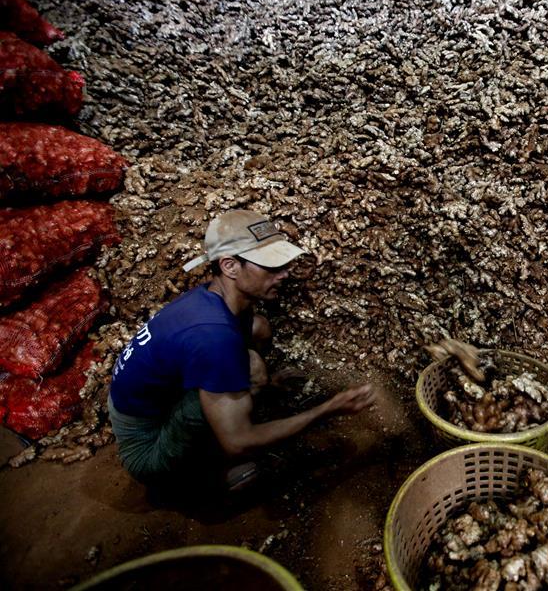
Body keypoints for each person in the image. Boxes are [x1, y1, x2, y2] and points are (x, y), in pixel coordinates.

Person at [107, 209, 375, 493]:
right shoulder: (213, 335)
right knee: (242, 404)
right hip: (147, 449)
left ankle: (233, 411)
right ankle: (207, 473)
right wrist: (326, 410)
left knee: (257, 329)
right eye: (271, 267)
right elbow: (238, 442)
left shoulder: (217, 299)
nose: (284, 274)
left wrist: (264, 384)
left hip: (153, 405)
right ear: (230, 266)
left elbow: (246, 335)